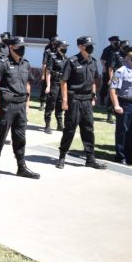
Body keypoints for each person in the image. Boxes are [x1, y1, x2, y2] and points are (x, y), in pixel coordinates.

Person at [0, 36, 39, 180]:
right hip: (6, 106)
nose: (22, 49)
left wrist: (27, 104)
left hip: (21, 105)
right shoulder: (3, 63)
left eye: (23, 46)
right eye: (19, 47)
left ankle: (21, 167)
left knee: (20, 137)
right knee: (0, 136)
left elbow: (28, 84)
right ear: (11, 47)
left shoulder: (25, 64)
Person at [56, 36, 107, 170]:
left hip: (87, 100)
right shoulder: (72, 61)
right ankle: (62, 157)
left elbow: (94, 80)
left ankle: (90, 159)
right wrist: (65, 100)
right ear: (80, 46)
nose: (90, 47)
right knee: (70, 129)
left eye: (91, 44)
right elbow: (63, 81)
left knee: (88, 129)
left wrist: (94, 95)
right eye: (87, 45)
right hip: (74, 100)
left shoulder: (93, 61)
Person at [44, 40, 68, 134]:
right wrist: (48, 86)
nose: (65, 48)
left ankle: (59, 124)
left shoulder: (66, 59)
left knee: (60, 103)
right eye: (63, 47)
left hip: (62, 83)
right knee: (50, 104)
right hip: (54, 83)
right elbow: (48, 72)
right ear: (58, 48)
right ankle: (47, 125)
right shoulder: (52, 57)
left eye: (65, 47)